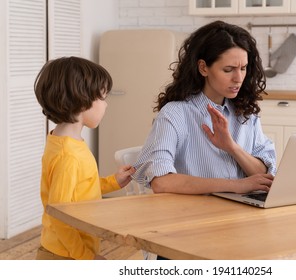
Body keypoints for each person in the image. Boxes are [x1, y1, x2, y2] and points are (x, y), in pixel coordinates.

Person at [133, 20, 276, 195]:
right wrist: (235, 185)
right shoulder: (175, 114)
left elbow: (263, 177)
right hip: (193, 215)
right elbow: (161, 182)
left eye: (243, 68)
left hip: (239, 213)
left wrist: (232, 147)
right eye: (228, 69)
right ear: (203, 68)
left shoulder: (245, 112)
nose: (239, 78)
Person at [34, 56, 136, 260]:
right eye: (102, 99)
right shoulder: (68, 156)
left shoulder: (64, 141)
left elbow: (80, 190)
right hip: (64, 255)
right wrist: (86, 258)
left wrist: (113, 182)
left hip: (69, 250)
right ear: (81, 100)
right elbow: (58, 215)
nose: (106, 105)